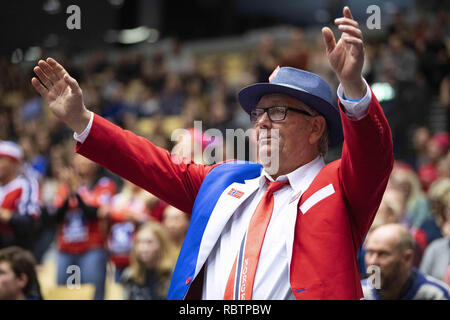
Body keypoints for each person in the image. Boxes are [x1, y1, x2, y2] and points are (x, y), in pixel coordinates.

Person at [31, 7, 394, 300]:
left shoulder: (339, 186)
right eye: (258, 113)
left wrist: (352, 85)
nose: (262, 123)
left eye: (278, 112)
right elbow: (147, 162)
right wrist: (82, 119)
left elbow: (373, 154)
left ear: (316, 128)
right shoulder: (227, 179)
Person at [53, 154, 116, 300]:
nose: (82, 163)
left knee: (93, 293)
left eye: (86, 159)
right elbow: (57, 217)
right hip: (66, 248)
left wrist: (76, 191)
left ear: (95, 164)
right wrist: (71, 191)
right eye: (78, 160)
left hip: (92, 248)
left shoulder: (104, 184)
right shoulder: (64, 187)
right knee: (65, 294)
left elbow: (93, 213)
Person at [362, 224, 450, 300]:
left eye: (383, 254)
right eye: (370, 252)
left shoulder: (436, 295)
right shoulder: (359, 293)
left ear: (407, 258)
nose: (372, 261)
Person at [0, 141, 40, 251]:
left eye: (1, 159)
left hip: (17, 246)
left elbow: (29, 221)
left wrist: (4, 214)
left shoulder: (25, 184)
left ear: (13, 163)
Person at [121, 221, 176, 300]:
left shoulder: (172, 275)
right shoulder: (129, 276)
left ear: (162, 245)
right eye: (139, 242)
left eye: (149, 242)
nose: (143, 248)